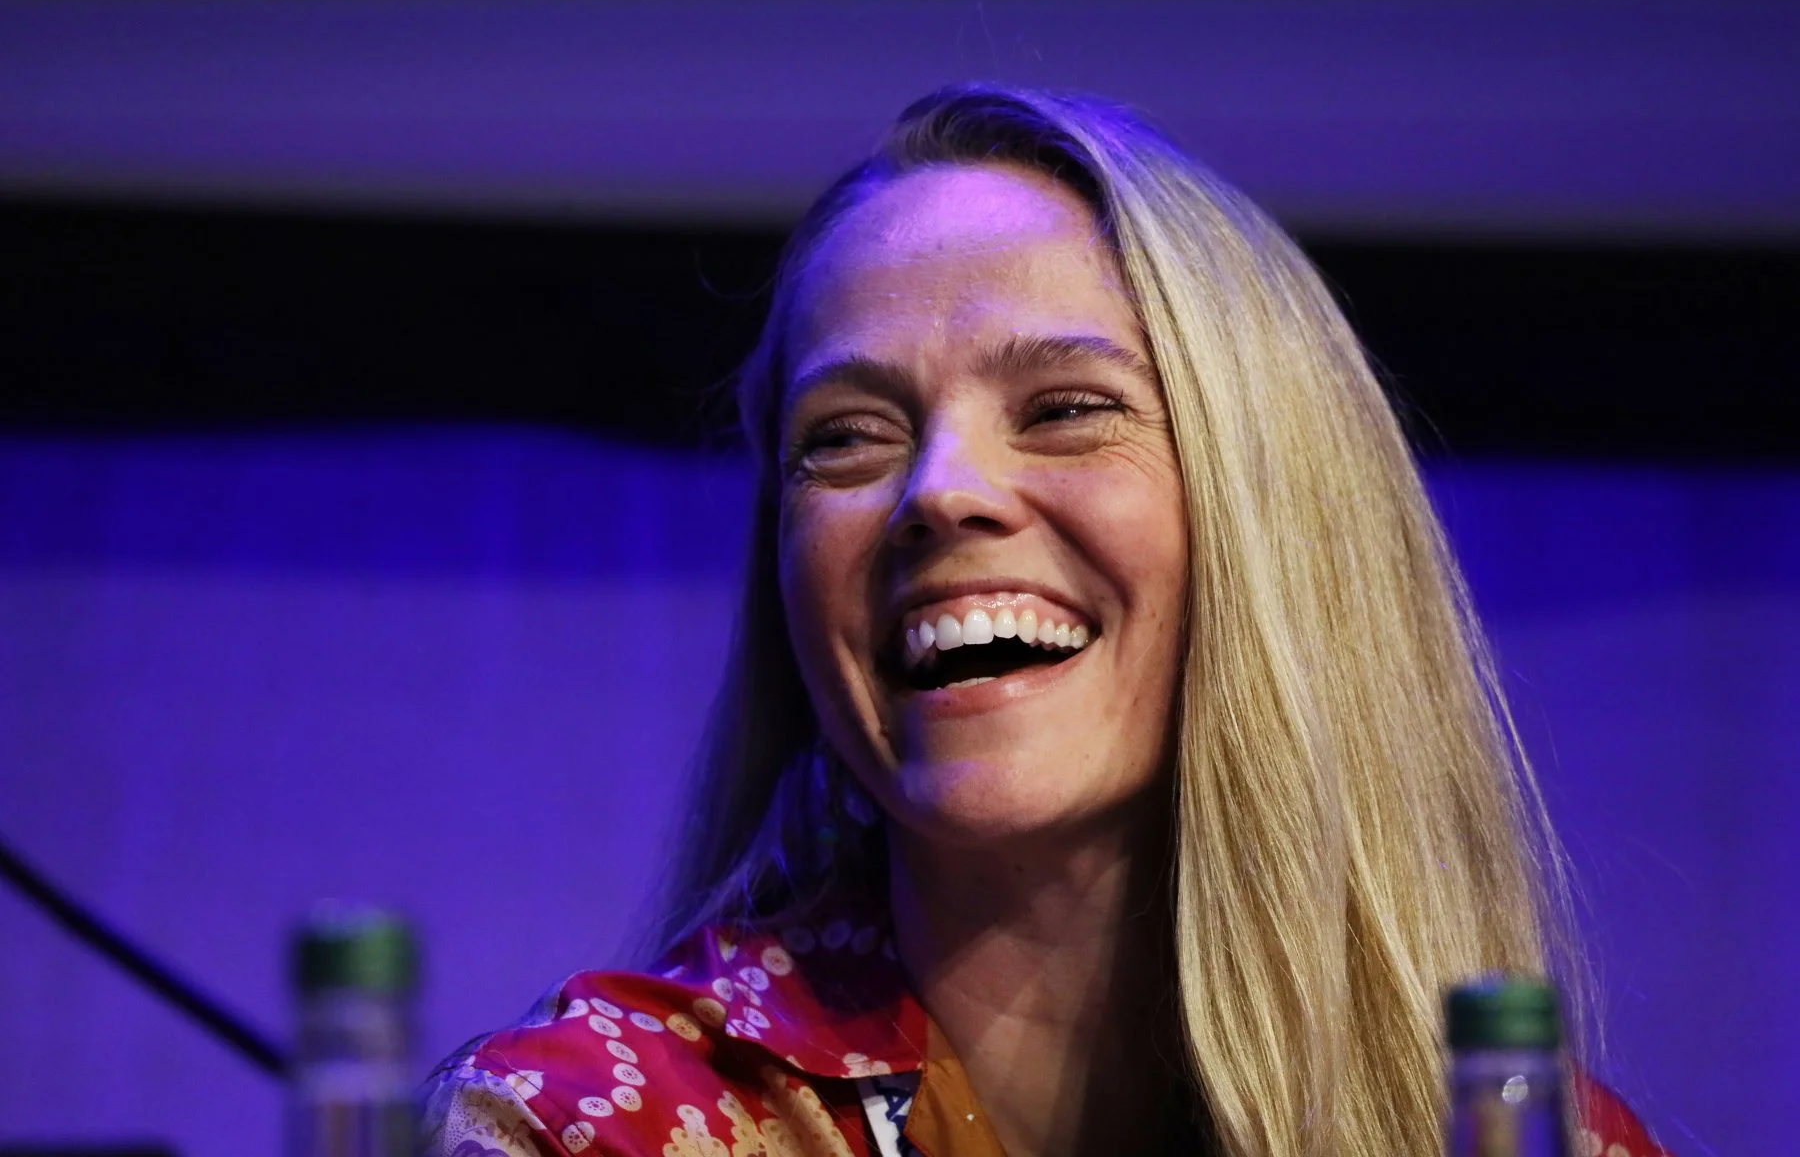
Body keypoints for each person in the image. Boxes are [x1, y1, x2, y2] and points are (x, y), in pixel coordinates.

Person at [423, 84, 1669, 1157]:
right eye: (846, 438)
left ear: (1279, 521)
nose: (942, 490)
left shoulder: (1520, 1137)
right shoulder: (590, 1132)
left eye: (1067, 407)